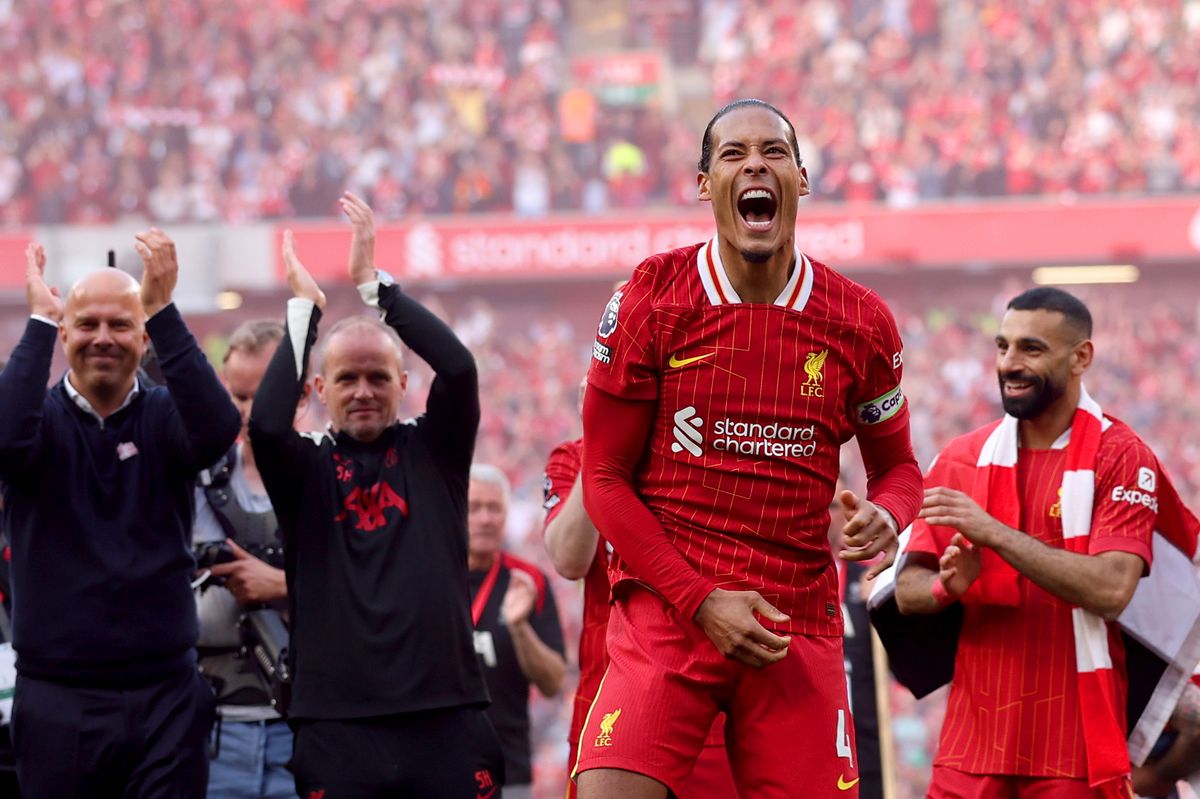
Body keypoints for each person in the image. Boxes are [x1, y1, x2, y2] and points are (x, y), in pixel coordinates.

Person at [575, 98, 924, 799]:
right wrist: (700, 600)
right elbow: (604, 477)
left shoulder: (860, 320)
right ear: (705, 184)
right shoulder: (652, 296)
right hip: (670, 612)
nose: (755, 163)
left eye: (773, 151)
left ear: (801, 177)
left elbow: (898, 469)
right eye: (732, 154)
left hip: (792, 624)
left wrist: (887, 513)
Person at [247, 192, 504, 798]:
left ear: (404, 383)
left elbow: (461, 369)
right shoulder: (303, 467)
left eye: (378, 377)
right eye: (347, 378)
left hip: (446, 716)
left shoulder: (434, 449)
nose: (363, 390)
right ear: (320, 387)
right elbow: (265, 425)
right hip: (338, 725)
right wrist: (304, 315)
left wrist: (374, 287)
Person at [894, 287, 1196, 798]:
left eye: (1031, 349)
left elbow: (1110, 589)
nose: (1010, 363)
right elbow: (907, 589)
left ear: (1081, 357)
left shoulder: (1121, 456)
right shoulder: (964, 457)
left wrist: (995, 533)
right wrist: (947, 587)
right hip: (969, 754)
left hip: (1074, 756)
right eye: (1003, 346)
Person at [0, 233, 240, 797]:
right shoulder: (38, 423)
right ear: (64, 334)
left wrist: (163, 310)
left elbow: (217, 430)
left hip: (166, 694)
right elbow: (3, 440)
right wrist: (37, 322)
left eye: (121, 324)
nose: (103, 338)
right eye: (86, 325)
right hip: (57, 695)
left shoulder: (163, 417)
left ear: (142, 337)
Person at [543, 379, 737, 799]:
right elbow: (568, 560)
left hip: (702, 698)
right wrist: (599, 449)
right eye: (595, 393)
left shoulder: (696, 446)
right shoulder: (572, 457)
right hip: (607, 691)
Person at [193, 319, 306, 799]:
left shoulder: (329, 476)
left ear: (302, 395)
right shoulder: (192, 476)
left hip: (303, 727)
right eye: (238, 397)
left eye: (262, 396)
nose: (248, 413)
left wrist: (281, 585)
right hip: (209, 725)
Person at [468, 463, 567, 799]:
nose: (485, 518)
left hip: (507, 769)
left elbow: (554, 683)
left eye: (494, 508)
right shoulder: (430, 578)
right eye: (474, 507)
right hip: (436, 765)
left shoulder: (529, 581)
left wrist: (519, 627)